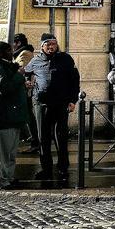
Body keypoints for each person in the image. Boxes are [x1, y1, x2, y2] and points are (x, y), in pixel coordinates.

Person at [25, 33, 81, 183]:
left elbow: (74, 80)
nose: (51, 47)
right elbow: (26, 73)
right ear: (42, 46)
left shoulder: (65, 59)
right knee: (43, 137)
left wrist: (73, 100)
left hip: (61, 103)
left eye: (53, 44)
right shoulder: (35, 60)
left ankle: (63, 167)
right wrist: (27, 82)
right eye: (48, 44)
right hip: (41, 104)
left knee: (61, 136)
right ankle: (46, 169)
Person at [0, 41, 28, 190]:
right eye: (9, 51)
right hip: (2, 116)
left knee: (10, 153)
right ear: (0, 53)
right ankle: (0, 180)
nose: (12, 53)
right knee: (1, 153)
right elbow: (3, 87)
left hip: (12, 116)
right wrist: (19, 76)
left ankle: (8, 178)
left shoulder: (6, 66)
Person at [12, 33, 39, 154]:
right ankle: (9, 144)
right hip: (22, 90)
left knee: (28, 118)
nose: (11, 46)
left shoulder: (25, 53)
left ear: (18, 43)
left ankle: (35, 143)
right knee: (23, 117)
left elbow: (22, 70)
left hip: (25, 91)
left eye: (13, 43)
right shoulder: (19, 54)